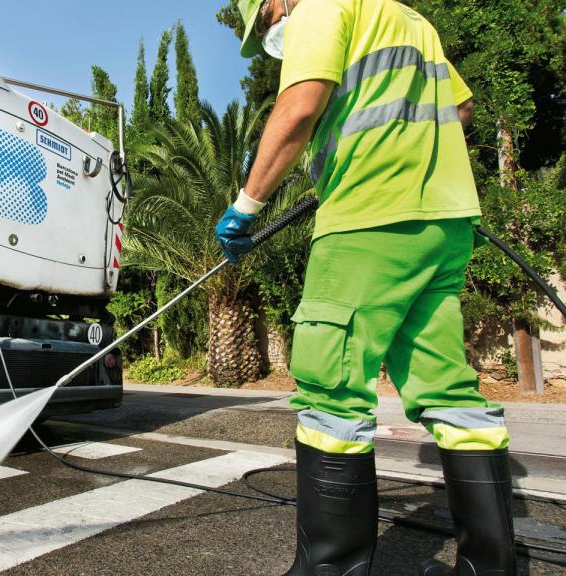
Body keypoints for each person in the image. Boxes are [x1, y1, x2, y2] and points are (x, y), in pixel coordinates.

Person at [215, 1, 517, 575]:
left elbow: (300, 107)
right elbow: (463, 107)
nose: (270, 34)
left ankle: (330, 569)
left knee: (331, 384)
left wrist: (245, 206)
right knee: (449, 391)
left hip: (368, 217)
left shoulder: (321, 6)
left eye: (265, 24)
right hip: (445, 221)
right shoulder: (411, 21)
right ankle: (488, 568)